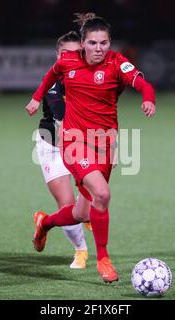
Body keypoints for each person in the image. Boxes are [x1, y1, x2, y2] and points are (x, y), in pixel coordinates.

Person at [25, 12, 156, 283]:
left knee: (82, 212)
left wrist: (148, 98)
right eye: (93, 43)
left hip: (105, 144)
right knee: (103, 194)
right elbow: (51, 74)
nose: (99, 49)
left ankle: (45, 223)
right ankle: (104, 259)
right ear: (83, 43)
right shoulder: (69, 61)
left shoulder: (117, 63)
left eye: (104, 43)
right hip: (74, 142)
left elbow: (143, 84)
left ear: (110, 43)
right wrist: (37, 98)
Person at [34, 31, 91, 269]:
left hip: (84, 144)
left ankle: (44, 222)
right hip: (53, 144)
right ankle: (81, 251)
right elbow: (59, 111)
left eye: (76, 53)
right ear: (58, 55)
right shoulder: (53, 82)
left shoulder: (91, 77)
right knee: (68, 204)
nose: (70, 57)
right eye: (65, 53)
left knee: (85, 211)